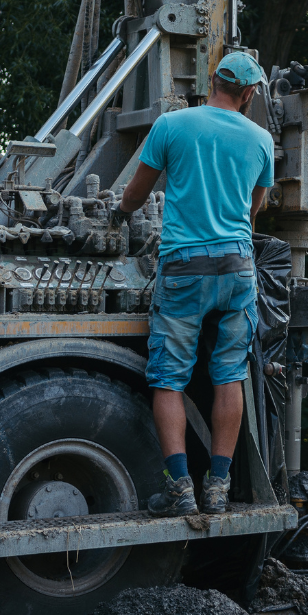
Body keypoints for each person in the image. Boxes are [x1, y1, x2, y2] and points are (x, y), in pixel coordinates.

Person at [118, 51, 273, 516]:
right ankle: (218, 488)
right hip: (237, 269)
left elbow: (134, 195)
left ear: (214, 81)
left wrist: (120, 214)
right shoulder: (261, 139)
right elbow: (254, 208)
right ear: (248, 94)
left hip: (185, 269)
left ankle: (180, 488)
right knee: (230, 376)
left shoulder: (172, 125)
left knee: (169, 379)